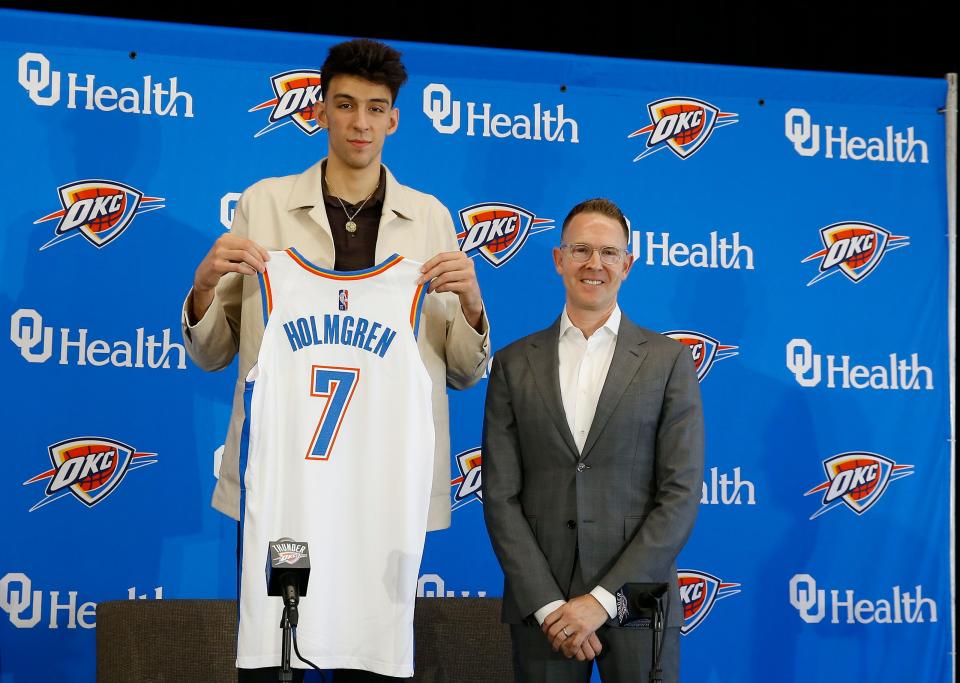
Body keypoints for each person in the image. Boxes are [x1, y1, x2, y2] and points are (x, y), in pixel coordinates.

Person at [181, 38, 490, 681]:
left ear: (394, 119)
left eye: (376, 108)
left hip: (383, 481)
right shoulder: (262, 204)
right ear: (319, 110)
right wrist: (204, 287)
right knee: (272, 662)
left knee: (370, 664)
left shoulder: (431, 219)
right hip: (282, 474)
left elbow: (462, 370)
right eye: (345, 105)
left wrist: (474, 306)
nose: (360, 122)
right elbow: (215, 355)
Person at [482, 198, 703, 682]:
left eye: (608, 252)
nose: (594, 264)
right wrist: (547, 606)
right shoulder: (513, 363)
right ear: (559, 259)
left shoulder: (668, 362)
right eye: (581, 249)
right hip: (544, 608)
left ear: (628, 264)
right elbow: (499, 495)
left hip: (638, 598)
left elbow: (680, 495)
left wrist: (602, 602)